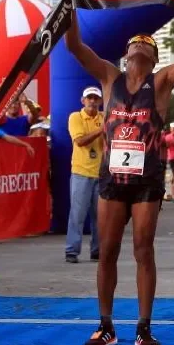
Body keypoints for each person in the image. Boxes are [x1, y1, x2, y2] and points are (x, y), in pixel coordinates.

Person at [65, 0, 174, 345]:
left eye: (146, 45)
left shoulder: (161, 83)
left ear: (154, 56)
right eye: (134, 45)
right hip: (112, 180)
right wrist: (70, 4)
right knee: (108, 249)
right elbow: (77, 47)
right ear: (126, 53)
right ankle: (106, 325)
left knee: (143, 249)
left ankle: (144, 328)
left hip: (145, 181)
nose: (139, 48)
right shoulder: (110, 78)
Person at [65, 86, 105, 263]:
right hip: (81, 172)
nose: (92, 101)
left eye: (96, 98)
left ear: (100, 101)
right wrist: (101, 130)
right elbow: (80, 141)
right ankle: (72, 250)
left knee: (100, 217)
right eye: (89, 98)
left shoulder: (104, 117)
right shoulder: (75, 117)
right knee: (77, 214)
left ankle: (97, 250)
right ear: (83, 100)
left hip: (101, 173)